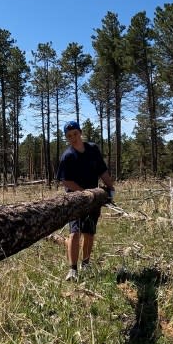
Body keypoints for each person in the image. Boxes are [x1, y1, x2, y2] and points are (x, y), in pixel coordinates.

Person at [56, 121, 114, 282]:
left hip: (94, 197)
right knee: (75, 232)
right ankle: (73, 269)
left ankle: (86, 264)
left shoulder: (92, 149)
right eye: (69, 136)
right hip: (75, 199)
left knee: (89, 231)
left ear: (80, 132)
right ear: (66, 138)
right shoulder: (67, 156)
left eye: (75, 134)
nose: (73, 138)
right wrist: (83, 193)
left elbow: (102, 170)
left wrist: (110, 188)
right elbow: (65, 181)